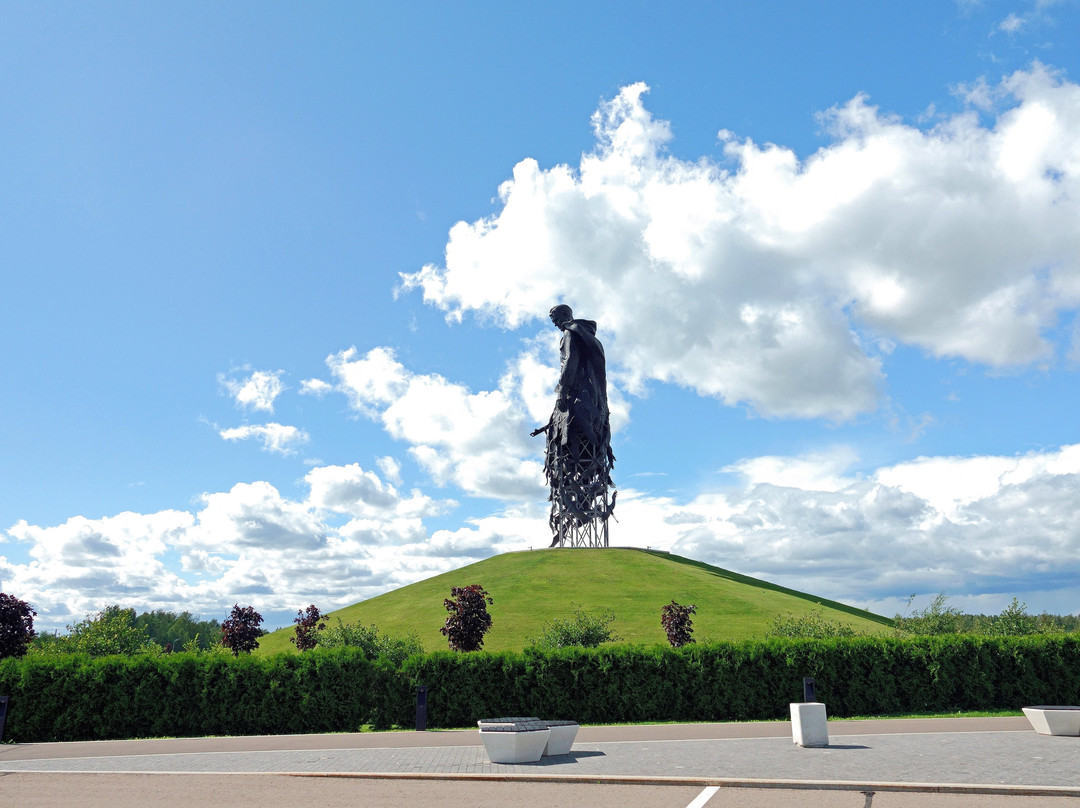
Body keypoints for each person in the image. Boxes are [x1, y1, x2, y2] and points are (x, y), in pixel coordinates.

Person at [533, 304, 615, 546]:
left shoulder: (571, 334)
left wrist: (562, 390)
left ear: (565, 316)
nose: (554, 323)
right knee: (578, 462)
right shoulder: (587, 335)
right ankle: (577, 510)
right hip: (594, 404)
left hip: (577, 403)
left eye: (555, 318)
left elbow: (569, 361)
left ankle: (578, 510)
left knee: (572, 452)